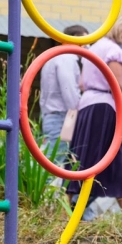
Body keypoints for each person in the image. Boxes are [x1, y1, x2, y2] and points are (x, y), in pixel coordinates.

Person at [65, 15, 122, 221]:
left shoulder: (95, 47)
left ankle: (64, 209)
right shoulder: (115, 52)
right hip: (105, 106)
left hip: (87, 104)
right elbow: (117, 86)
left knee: (81, 156)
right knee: (112, 157)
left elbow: (82, 83)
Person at [39, 25, 88, 164]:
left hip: (50, 115)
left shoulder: (54, 57)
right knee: (53, 161)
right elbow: (69, 91)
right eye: (85, 41)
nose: (87, 46)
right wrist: (79, 110)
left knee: (50, 159)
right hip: (61, 117)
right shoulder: (67, 58)